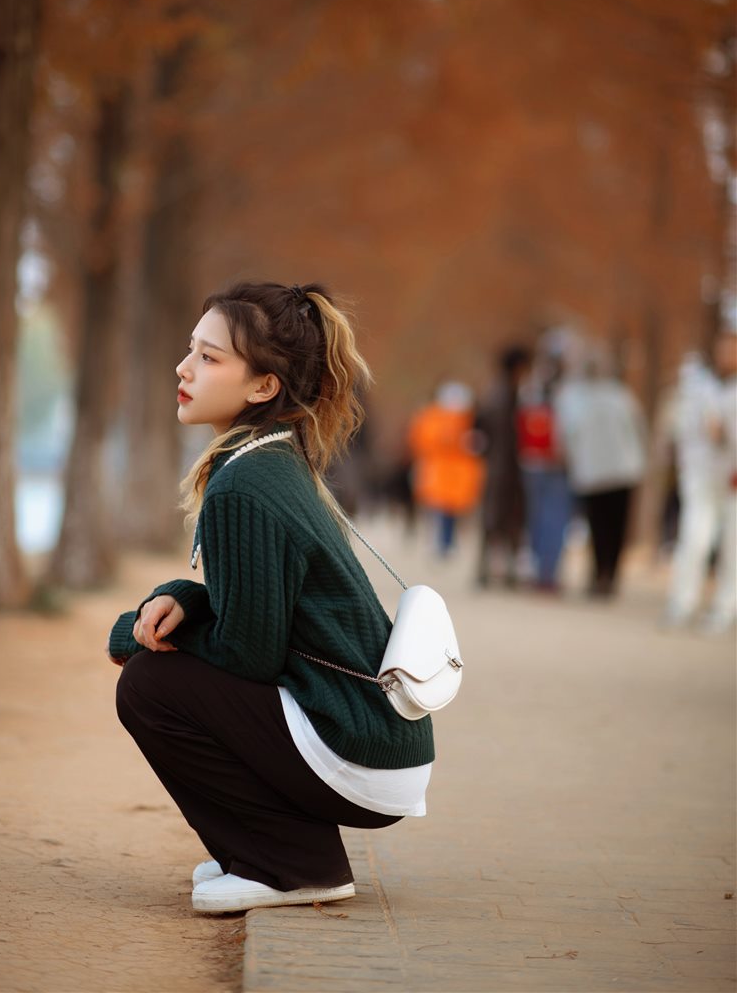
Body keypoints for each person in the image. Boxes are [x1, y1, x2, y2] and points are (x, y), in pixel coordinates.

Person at [107, 281, 434, 915]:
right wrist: (188, 598)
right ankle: (266, 851)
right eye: (191, 349)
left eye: (209, 358)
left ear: (263, 386)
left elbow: (247, 656)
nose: (183, 368)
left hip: (358, 746)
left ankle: (292, 865)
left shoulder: (245, 484)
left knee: (151, 685)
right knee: (167, 680)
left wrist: (131, 634)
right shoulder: (272, 457)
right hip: (374, 736)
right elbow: (264, 617)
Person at [554, 352, 647, 596]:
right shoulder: (619, 396)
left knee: (601, 527)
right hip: (617, 471)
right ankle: (606, 575)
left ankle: (603, 575)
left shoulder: (576, 398)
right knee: (612, 526)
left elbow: (565, 437)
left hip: (596, 472)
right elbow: (638, 429)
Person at [663, 329, 737, 632]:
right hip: (702, 477)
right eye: (723, 349)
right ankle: (683, 603)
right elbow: (686, 433)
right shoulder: (701, 388)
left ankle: (725, 608)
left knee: (732, 548)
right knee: (694, 540)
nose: (727, 355)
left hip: (733, 482)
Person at [475, 346, 532, 587]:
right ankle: (495, 570)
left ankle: (492, 569)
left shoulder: (497, 393)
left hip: (499, 466)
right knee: (501, 519)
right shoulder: (506, 395)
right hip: (505, 467)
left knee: (498, 519)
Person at [407, 381, 484, 556]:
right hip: (440, 474)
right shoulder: (436, 419)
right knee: (440, 511)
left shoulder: (458, 419)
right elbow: (422, 441)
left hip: (449, 475)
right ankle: (442, 543)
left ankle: (445, 543)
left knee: (446, 512)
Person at [517, 355, 573, 591]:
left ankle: (539, 570)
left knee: (538, 519)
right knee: (553, 521)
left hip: (533, 465)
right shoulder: (568, 398)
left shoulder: (528, 396)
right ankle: (547, 572)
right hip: (554, 467)